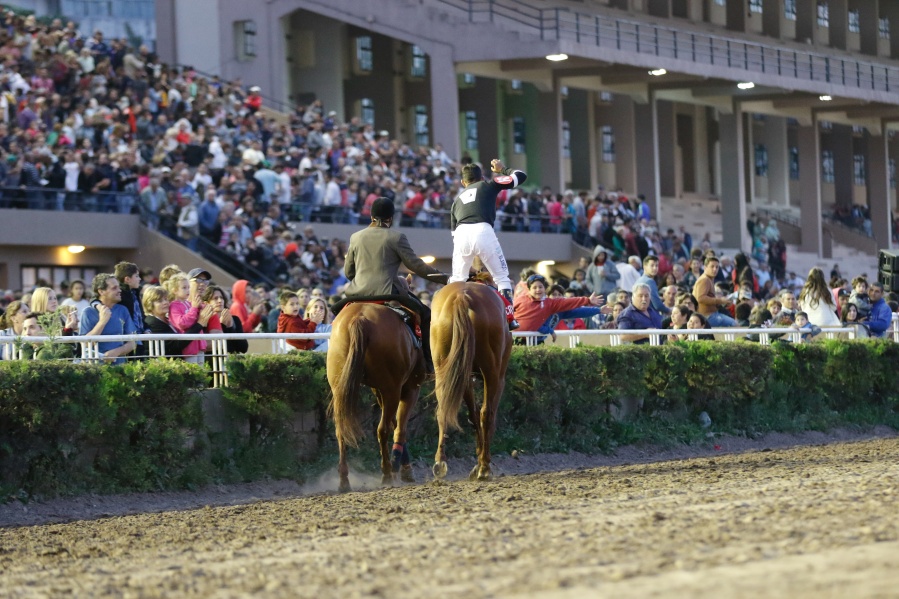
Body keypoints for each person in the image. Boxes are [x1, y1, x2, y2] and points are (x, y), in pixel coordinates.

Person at [341, 197, 448, 372]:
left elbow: (349, 273)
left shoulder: (355, 237)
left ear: (371, 216)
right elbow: (417, 266)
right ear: (390, 218)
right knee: (426, 314)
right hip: (386, 293)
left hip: (356, 294)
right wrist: (445, 279)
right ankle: (429, 365)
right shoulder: (396, 237)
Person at [448, 159, 526, 327]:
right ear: (482, 177)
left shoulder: (456, 201)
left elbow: (454, 234)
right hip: (483, 230)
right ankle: (509, 319)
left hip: (461, 235)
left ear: (463, 182)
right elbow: (520, 176)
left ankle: (451, 316)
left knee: (457, 280)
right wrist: (502, 169)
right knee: (501, 278)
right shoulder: (488, 184)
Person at [512, 273, 606, 342]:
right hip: (519, 339)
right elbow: (533, 324)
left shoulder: (558, 309)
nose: (557, 297)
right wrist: (550, 331)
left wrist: (598, 309)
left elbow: (578, 311)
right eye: (554, 294)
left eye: (559, 294)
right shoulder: (529, 301)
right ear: (547, 296)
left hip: (538, 342)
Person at [142, 285, 214, 358]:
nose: (165, 302)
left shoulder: (167, 320)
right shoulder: (152, 322)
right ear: (149, 304)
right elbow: (176, 344)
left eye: (166, 299)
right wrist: (199, 324)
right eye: (160, 301)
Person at [79, 273, 137, 364]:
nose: (119, 290)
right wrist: (102, 322)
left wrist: (117, 352)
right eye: (114, 288)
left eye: (119, 287)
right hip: (95, 368)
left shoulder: (123, 310)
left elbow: (133, 342)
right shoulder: (88, 312)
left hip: (120, 367)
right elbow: (85, 344)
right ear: (101, 291)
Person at [692, 255, 735, 328]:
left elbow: (710, 299)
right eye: (712, 266)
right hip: (708, 316)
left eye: (717, 267)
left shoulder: (709, 279)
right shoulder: (704, 280)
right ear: (705, 267)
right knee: (734, 324)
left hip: (713, 314)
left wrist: (724, 302)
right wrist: (720, 300)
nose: (715, 269)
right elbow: (701, 298)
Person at [204, 285, 249, 354]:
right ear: (207, 303)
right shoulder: (205, 321)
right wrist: (222, 325)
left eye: (221, 298)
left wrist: (230, 327)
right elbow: (217, 348)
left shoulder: (235, 320)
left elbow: (243, 348)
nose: (220, 301)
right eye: (215, 298)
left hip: (233, 359)